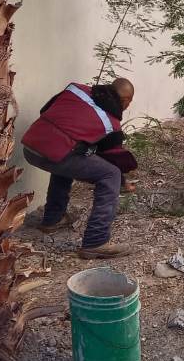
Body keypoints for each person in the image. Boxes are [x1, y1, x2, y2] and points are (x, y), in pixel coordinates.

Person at [21, 78, 138, 259]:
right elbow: (113, 159)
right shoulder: (111, 124)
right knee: (111, 174)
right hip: (53, 153)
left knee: (69, 154)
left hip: (31, 145)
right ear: (126, 101)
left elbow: (45, 110)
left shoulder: (77, 89)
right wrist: (122, 182)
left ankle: (53, 219)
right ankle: (96, 242)